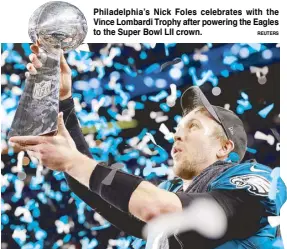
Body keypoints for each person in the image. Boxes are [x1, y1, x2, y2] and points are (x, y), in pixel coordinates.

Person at [9, 45, 286, 249]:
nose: (177, 135)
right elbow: (93, 188)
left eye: (193, 128)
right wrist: (64, 101)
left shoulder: (250, 182)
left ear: (224, 147)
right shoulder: (170, 192)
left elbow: (162, 209)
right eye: (178, 128)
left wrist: (72, 161)